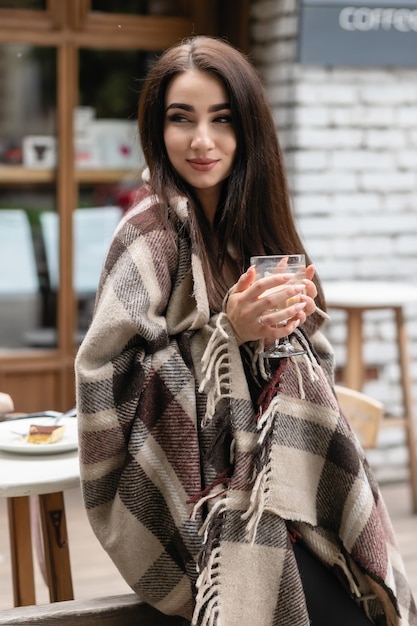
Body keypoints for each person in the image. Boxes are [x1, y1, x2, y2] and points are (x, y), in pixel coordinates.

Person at [75, 36, 416, 626]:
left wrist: (284, 338)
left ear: (248, 129)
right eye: (182, 119)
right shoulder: (147, 235)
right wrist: (225, 333)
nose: (202, 141)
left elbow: (310, 377)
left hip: (279, 483)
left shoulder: (255, 233)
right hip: (189, 505)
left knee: (366, 594)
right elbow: (107, 386)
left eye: (222, 119)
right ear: (158, 131)